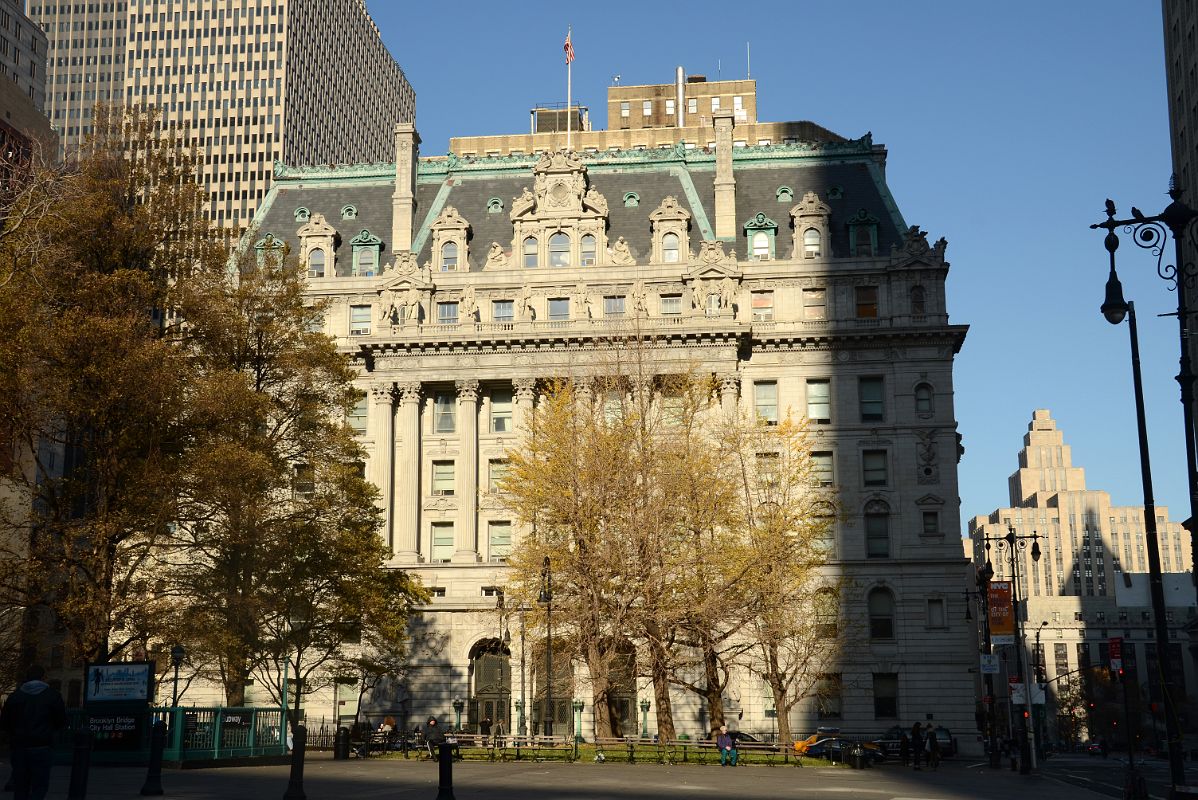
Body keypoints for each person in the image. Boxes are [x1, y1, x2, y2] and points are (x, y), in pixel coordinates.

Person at [1, 665, 67, 800]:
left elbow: (5, 723)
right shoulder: (53, 696)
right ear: (43, 677)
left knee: (21, 786)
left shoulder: (15, 697)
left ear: (27, 677)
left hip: (19, 746)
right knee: (40, 786)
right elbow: (60, 721)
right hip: (42, 745)